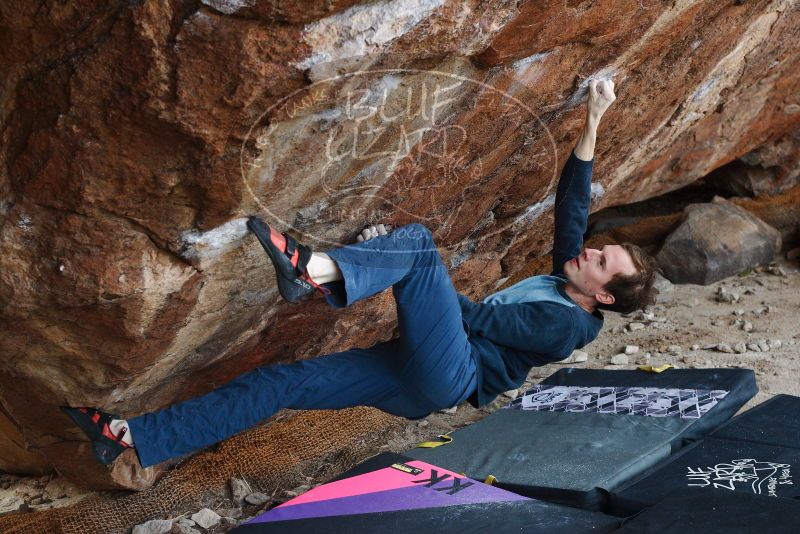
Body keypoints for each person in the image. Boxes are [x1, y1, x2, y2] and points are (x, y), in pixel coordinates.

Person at [63, 79, 658, 468]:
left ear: (602, 296)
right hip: (412, 375)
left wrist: (408, 269)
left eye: (602, 262)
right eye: (601, 249)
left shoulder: (565, 329)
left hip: (450, 375)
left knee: (420, 250)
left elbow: (474, 317)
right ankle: (131, 438)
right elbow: (572, 212)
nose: (592, 251)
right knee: (281, 384)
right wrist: (594, 119)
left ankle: (316, 274)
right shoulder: (568, 278)